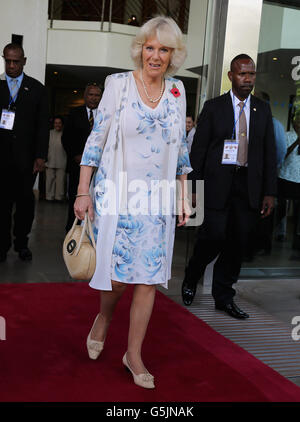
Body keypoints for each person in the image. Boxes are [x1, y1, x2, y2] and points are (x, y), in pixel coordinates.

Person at [74, 16, 191, 389]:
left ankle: (133, 354)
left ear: (173, 56)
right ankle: (104, 318)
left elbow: (182, 149)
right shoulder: (118, 85)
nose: (155, 56)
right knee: (120, 277)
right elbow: (96, 138)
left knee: (148, 280)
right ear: (140, 48)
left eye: (164, 49)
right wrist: (82, 190)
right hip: (119, 195)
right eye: (150, 47)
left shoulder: (176, 91)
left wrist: (186, 197)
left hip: (157, 200)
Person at [181, 54, 277, 319]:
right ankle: (192, 276)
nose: (248, 79)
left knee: (237, 243)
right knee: (212, 237)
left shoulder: (262, 108)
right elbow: (198, 152)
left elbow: (269, 152)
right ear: (231, 76)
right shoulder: (214, 107)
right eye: (242, 74)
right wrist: (193, 189)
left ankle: (224, 297)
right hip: (216, 185)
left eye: (252, 74)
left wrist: (269, 192)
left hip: (249, 187)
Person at [0, 43, 49, 262]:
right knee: (1, 204)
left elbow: (42, 125)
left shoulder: (37, 89)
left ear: (24, 61)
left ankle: (22, 244)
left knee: (24, 203)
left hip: (27, 160)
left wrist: (40, 156)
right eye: (7, 61)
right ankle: (1, 246)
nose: (11, 66)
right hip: (1, 159)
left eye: (15, 61)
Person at [62, 83, 102, 231]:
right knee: (75, 197)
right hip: (77, 165)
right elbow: (66, 138)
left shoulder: (105, 114)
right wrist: (75, 156)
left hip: (99, 167)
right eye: (91, 94)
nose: (93, 98)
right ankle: (72, 232)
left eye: (97, 95)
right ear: (85, 96)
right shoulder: (74, 113)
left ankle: (91, 232)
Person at [276, 107, 300, 250]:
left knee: (297, 210)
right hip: (285, 176)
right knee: (282, 208)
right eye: (297, 121)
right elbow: (282, 155)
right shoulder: (286, 135)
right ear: (294, 123)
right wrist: (297, 142)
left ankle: (297, 236)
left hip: (299, 178)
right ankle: (280, 233)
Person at [45, 115, 67, 202]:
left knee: (60, 181)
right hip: (50, 160)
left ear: (62, 124)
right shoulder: (49, 133)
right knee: (49, 180)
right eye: (56, 123)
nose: (57, 125)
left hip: (62, 160)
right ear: (53, 124)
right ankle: (49, 197)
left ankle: (59, 197)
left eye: (59, 123)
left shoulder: (65, 134)